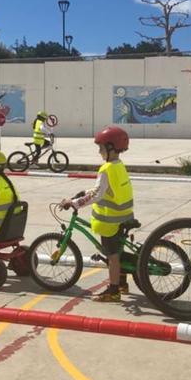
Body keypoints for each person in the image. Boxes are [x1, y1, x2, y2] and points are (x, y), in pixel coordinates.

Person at [59, 126, 134, 302]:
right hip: (125, 215)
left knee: (112, 255)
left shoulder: (106, 168)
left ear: (110, 147)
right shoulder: (118, 166)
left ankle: (113, 290)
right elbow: (104, 189)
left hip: (110, 220)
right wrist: (84, 191)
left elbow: (97, 194)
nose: (99, 151)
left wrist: (75, 203)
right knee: (118, 251)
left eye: (101, 147)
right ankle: (122, 282)